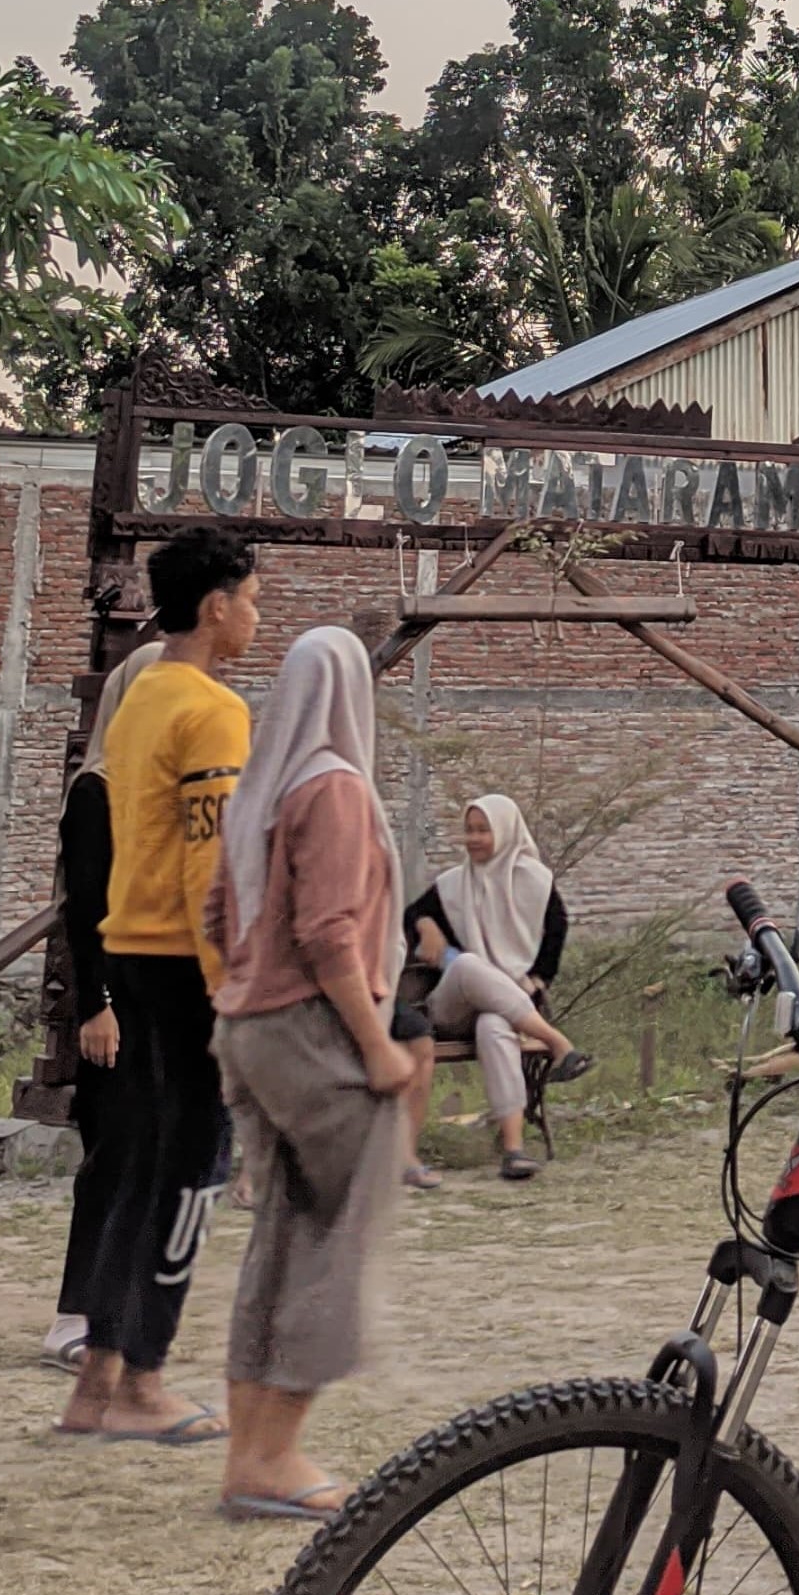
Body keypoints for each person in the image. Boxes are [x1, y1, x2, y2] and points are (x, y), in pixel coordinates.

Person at [207, 626, 426, 1523]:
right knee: (338, 1240)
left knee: (283, 1238)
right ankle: (278, 1454)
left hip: (248, 1029)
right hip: (311, 1028)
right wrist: (376, 1045)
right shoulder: (332, 788)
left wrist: (244, 995)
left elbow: (221, 915)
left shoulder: (258, 790)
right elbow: (331, 934)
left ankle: (250, 1456)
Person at [54, 526, 258, 1445]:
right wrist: (233, 986)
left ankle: (94, 1382)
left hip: (127, 951)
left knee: (138, 1167)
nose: (256, 616)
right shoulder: (212, 709)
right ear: (217, 606)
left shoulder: (134, 698)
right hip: (185, 965)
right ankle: (143, 1381)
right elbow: (209, 866)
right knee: (192, 1175)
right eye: (252, 599)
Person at [40, 640, 163, 1373]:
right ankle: (70, 1317)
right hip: (112, 1008)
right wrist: (100, 1007)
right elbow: (87, 917)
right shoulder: (99, 793)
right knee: (112, 1159)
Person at [400, 794, 591, 1184]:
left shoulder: (535, 881)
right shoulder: (452, 886)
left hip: (508, 1005)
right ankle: (558, 1044)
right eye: (469, 830)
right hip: (450, 1009)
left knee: (494, 1025)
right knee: (469, 965)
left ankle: (513, 1149)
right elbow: (408, 918)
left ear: (504, 831)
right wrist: (425, 924)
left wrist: (537, 979)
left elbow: (556, 931)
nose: (473, 839)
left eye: (482, 830)